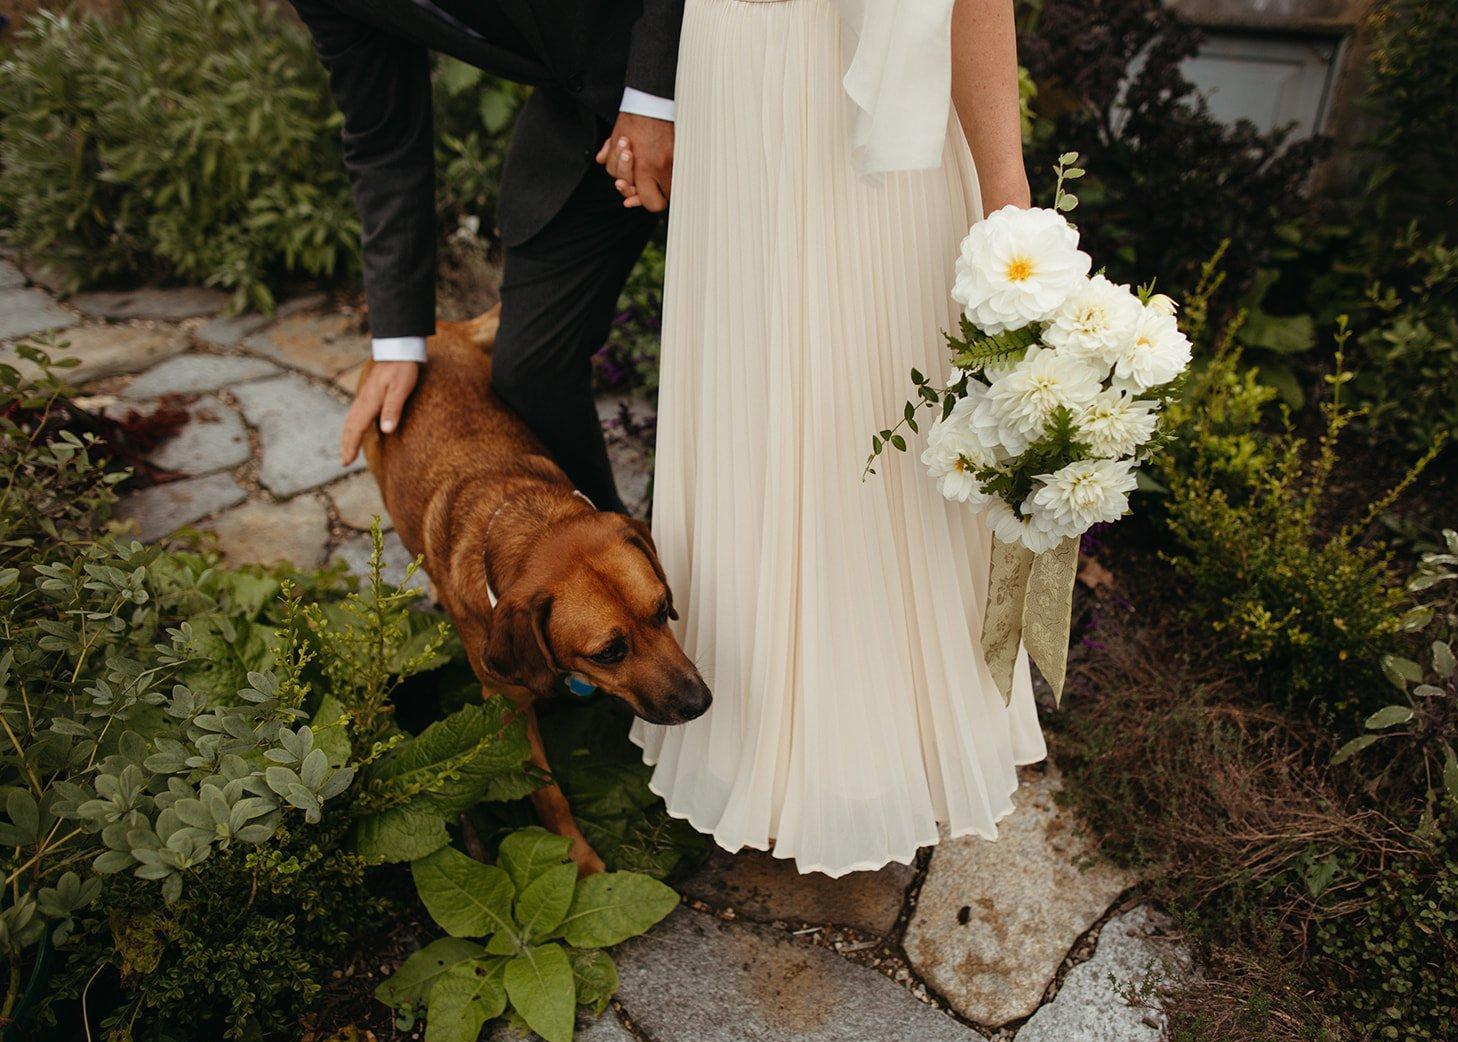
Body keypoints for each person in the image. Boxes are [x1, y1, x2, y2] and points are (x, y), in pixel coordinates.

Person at [629, 0, 1046, 876]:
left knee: (878, 402)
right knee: (751, 400)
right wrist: (649, 96)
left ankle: (889, 751)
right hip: (734, 76)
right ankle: (757, 741)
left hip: (884, 113)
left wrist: (1009, 194)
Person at [289, 0, 683, 513]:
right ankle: (615, 550)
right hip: (585, 110)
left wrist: (652, 95)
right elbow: (383, 136)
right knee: (531, 369)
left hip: (708, 46)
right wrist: (397, 341)